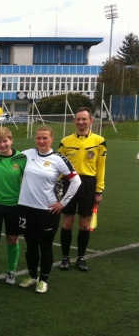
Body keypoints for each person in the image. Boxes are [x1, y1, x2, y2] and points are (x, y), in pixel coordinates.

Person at [18, 126, 81, 294]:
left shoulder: (58, 159)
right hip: (26, 208)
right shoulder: (28, 154)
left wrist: (63, 203)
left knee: (45, 246)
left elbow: (76, 181)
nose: (41, 141)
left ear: (52, 139)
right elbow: (7, 155)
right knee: (31, 246)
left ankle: (43, 280)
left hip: (48, 210)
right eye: (38, 138)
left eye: (45, 138)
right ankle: (33, 277)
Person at [58, 107, 107, 272]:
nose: (81, 122)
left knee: (85, 224)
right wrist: (58, 184)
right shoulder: (65, 141)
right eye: (78, 119)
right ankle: (65, 257)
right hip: (69, 182)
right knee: (67, 222)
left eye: (84, 119)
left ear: (91, 120)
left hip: (88, 184)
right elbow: (59, 166)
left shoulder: (99, 141)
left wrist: (99, 190)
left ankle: (81, 257)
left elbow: (101, 167)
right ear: (74, 121)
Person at [0, 127, 27, 285]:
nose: (2, 144)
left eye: (5, 141)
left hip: (14, 205)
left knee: (12, 238)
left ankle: (11, 271)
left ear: (11, 140)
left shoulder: (21, 158)